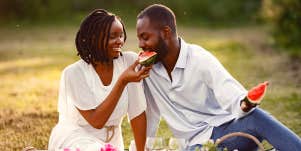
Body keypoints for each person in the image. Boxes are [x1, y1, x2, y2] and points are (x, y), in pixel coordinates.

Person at [136, 4, 301, 151]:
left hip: (228, 131)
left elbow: (228, 91)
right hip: (193, 145)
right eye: (139, 38)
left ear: (165, 32)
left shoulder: (200, 59)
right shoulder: (148, 71)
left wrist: (246, 103)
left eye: (145, 37)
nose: (140, 45)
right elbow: (150, 114)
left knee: (256, 117)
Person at [48, 9, 150, 151]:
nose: (119, 41)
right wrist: (122, 81)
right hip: (76, 137)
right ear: (94, 39)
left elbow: (137, 113)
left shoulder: (129, 61)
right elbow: (97, 121)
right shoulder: (73, 74)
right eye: (112, 36)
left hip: (113, 141)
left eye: (121, 35)